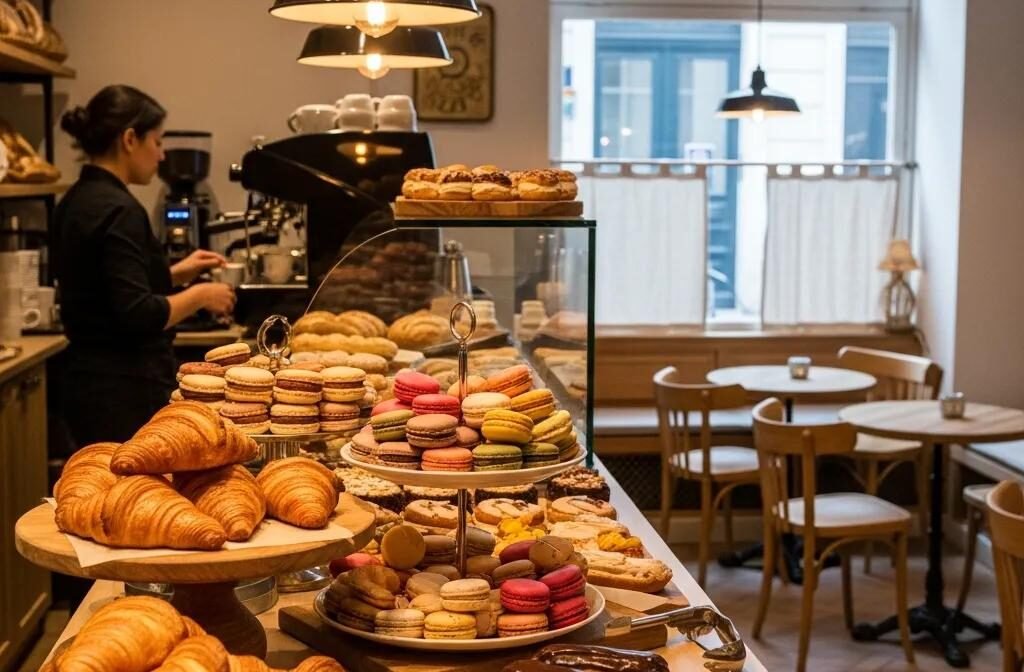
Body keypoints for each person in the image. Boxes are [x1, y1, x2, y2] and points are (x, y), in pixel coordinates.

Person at [53, 85, 235, 446]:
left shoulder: (75, 200)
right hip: (125, 388)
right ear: (130, 139)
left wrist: (176, 272)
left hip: (86, 383)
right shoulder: (120, 209)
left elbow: (104, 288)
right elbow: (137, 313)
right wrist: (202, 294)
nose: (163, 155)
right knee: (139, 495)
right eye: (158, 141)